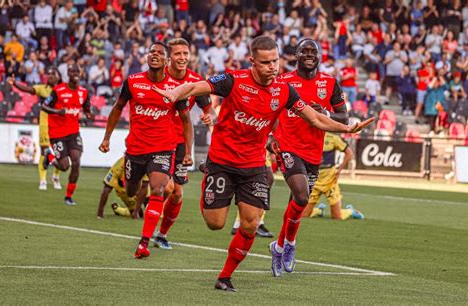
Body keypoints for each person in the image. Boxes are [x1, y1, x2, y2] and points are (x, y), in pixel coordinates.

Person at [153, 36, 373, 292]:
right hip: (223, 161)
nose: (273, 67)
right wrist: (173, 92)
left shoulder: (284, 90)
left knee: (251, 222)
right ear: (252, 62)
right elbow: (194, 87)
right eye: (266, 62)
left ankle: (225, 276)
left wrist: (348, 127)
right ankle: (209, 172)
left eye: (276, 61)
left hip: (254, 164)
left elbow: (315, 119)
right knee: (215, 223)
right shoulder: (232, 80)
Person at [98, 42, 194, 259]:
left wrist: (187, 152)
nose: (155, 55)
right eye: (151, 52)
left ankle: (144, 243)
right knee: (131, 190)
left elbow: (186, 120)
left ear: (166, 61)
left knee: (158, 189)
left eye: (160, 53)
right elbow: (117, 108)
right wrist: (106, 138)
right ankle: (131, 200)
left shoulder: (175, 88)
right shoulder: (133, 82)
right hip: (135, 149)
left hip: (163, 148)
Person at [269, 39, 349, 278]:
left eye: (313, 51)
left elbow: (343, 118)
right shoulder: (282, 81)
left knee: (298, 201)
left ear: (320, 56)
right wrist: (269, 136)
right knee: (302, 195)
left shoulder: (330, 83)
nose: (309, 54)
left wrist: (324, 113)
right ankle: (291, 246)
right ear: (296, 55)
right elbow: (269, 109)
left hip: (314, 151)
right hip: (287, 147)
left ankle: (280, 246)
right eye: (304, 50)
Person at [153, 38, 213, 250]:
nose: (182, 58)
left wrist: (209, 116)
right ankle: (150, 218)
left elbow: (208, 108)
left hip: (181, 142)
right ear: (169, 57)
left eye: (185, 54)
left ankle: (160, 234)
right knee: (166, 187)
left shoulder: (196, 81)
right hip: (158, 140)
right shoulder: (158, 76)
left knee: (177, 194)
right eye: (177, 54)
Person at [42, 65, 93, 205]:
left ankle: (68, 197)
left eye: (77, 71)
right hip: (57, 133)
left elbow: (87, 107)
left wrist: (89, 113)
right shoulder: (58, 90)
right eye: (72, 71)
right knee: (65, 166)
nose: (75, 73)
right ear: (68, 74)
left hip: (73, 132)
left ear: (80, 73)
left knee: (76, 162)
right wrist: (57, 112)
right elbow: (44, 107)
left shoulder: (84, 92)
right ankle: (50, 157)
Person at [7, 66, 62, 191]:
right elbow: (28, 89)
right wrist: (15, 83)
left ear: (58, 77)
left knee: (60, 153)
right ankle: (43, 180)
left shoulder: (62, 91)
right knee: (44, 152)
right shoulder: (42, 89)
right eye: (48, 74)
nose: (50, 76)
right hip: (45, 125)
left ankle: (55, 177)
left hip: (59, 126)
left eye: (53, 74)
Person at [303, 132, 364, 220]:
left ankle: (351, 211)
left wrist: (339, 170)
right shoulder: (309, 136)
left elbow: (349, 153)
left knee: (337, 216)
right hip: (314, 181)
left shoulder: (332, 138)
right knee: (304, 215)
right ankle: (319, 211)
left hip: (330, 181)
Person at [230, 150, 274, 238]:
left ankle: (240, 223)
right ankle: (254, 222)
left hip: (261, 146)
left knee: (267, 180)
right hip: (254, 147)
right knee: (266, 179)